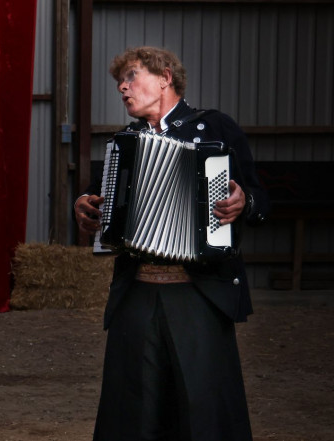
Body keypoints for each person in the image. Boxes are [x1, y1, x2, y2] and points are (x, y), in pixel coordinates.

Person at [75, 47, 269, 441]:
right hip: (137, 294)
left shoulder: (215, 128)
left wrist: (244, 201)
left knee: (203, 407)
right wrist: (82, 205)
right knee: (131, 409)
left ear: (165, 78)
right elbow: (99, 201)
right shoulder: (125, 143)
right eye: (119, 83)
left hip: (199, 295)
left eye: (130, 77)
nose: (122, 88)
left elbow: (261, 200)